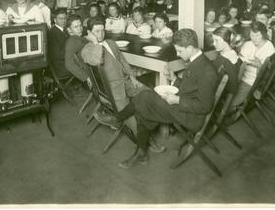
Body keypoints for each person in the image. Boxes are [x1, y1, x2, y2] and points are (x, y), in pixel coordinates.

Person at [113, 29, 219, 168]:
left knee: (144, 96)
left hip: (191, 117)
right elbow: (190, 89)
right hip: (183, 107)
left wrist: (177, 100)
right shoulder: (197, 61)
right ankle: (140, 151)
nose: (177, 54)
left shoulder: (206, 70)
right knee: (143, 103)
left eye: (180, 51)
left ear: (191, 48)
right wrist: (174, 79)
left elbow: (205, 106)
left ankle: (118, 119)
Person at [80, 20, 149, 144]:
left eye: (102, 30)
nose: (101, 34)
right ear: (89, 33)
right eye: (96, 31)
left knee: (148, 95)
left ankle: (119, 120)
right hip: (111, 90)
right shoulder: (86, 50)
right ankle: (144, 140)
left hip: (126, 81)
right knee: (129, 115)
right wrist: (96, 42)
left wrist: (132, 77)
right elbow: (96, 61)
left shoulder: (111, 43)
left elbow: (123, 61)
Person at [232, 22, 275, 108]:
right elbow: (240, 59)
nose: (254, 39)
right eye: (252, 35)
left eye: (258, 35)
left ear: (263, 34)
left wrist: (260, 65)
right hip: (241, 76)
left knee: (231, 103)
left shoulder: (269, 48)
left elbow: (267, 74)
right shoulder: (248, 44)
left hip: (251, 82)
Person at [211, 27, 241, 95]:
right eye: (213, 40)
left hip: (220, 94)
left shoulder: (222, 60)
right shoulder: (234, 53)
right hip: (226, 92)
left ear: (226, 40)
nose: (214, 44)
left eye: (216, 40)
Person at [64, 15, 91, 84]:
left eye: (80, 25)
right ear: (69, 29)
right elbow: (69, 64)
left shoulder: (79, 38)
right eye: (76, 27)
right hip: (91, 72)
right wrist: (86, 77)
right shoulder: (72, 41)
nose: (80, 29)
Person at [48, 9, 70, 79]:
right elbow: (57, 55)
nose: (63, 21)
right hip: (60, 66)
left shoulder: (65, 30)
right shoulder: (53, 32)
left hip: (66, 61)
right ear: (55, 20)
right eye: (60, 19)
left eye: (65, 18)